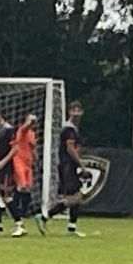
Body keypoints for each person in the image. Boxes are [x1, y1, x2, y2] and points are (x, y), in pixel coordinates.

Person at [44, 100, 86, 237]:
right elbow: (70, 148)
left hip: (69, 166)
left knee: (76, 197)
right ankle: (45, 216)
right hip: (67, 166)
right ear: (69, 112)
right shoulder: (69, 129)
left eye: (78, 110)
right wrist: (81, 164)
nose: (76, 113)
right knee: (74, 198)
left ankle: (71, 228)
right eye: (74, 110)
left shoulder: (73, 128)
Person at [6, 113, 40, 237]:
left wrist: (36, 159)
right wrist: (30, 121)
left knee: (27, 191)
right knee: (22, 187)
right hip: (19, 161)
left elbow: (32, 148)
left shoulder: (32, 134)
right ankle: (18, 220)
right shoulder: (22, 130)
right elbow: (25, 127)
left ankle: (19, 215)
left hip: (28, 164)